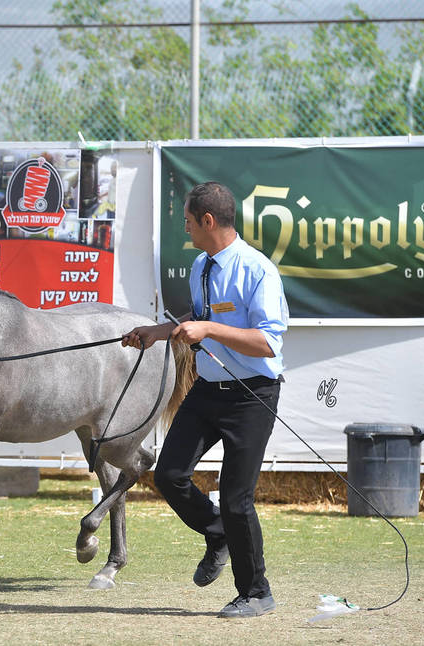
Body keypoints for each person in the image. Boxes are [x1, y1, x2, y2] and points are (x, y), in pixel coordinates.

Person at [121, 181, 288, 619]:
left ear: (208, 221)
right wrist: (156, 333)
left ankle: (256, 592)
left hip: (252, 396)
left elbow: (268, 343)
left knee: (236, 499)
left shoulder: (258, 270)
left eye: (189, 222)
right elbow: (201, 318)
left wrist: (209, 331)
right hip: (208, 390)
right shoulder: (201, 266)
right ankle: (218, 535)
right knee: (170, 474)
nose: (187, 230)